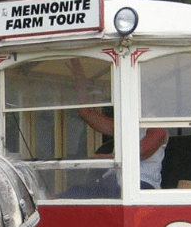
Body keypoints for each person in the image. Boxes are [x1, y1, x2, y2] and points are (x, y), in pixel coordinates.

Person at [70, 58, 167, 189]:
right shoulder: (126, 123)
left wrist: (108, 158)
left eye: (141, 93)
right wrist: (81, 85)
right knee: (71, 193)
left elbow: (140, 153)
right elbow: (85, 113)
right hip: (113, 182)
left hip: (141, 186)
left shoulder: (158, 126)